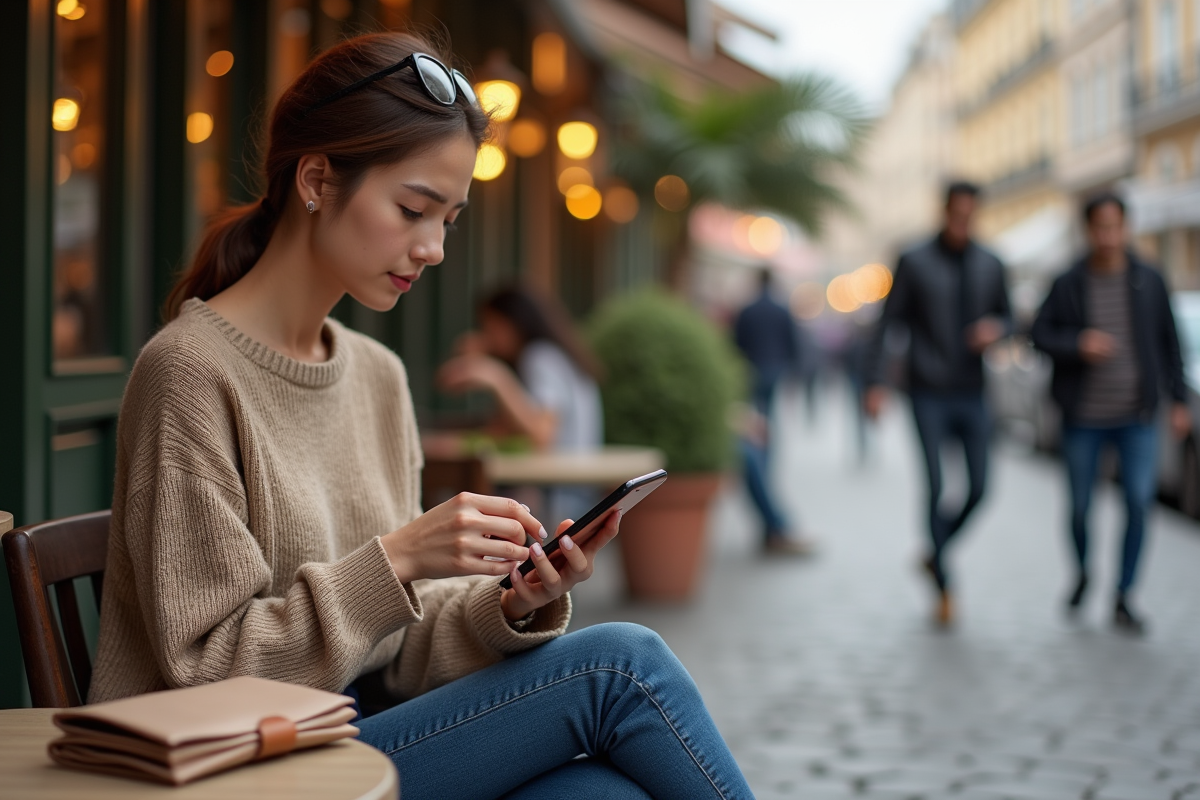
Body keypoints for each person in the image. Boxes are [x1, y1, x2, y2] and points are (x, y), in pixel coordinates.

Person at [88, 32, 753, 800]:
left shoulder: (377, 376)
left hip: (351, 743)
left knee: (606, 796)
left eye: (450, 220)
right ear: (315, 180)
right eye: (413, 209)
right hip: (232, 772)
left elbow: (393, 651)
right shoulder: (190, 373)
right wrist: (398, 559)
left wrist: (511, 602)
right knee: (619, 667)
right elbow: (205, 671)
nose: (433, 248)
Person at [1031, 192, 1189, 635]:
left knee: (1139, 502)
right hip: (1083, 415)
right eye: (1100, 227)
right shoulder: (1068, 281)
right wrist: (1077, 343)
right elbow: (1039, 333)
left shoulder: (1148, 279)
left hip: (1136, 414)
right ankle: (1082, 572)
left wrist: (1178, 401)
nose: (1108, 236)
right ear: (1088, 230)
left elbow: (1169, 342)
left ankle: (1124, 594)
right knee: (1081, 508)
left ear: (1126, 227)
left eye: (1115, 226)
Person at [864, 181, 1012, 626]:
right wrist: (875, 383)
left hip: (972, 390)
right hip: (927, 390)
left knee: (981, 487)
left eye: (969, 217)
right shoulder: (915, 260)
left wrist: (996, 329)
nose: (962, 224)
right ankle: (945, 586)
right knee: (934, 486)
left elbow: (1008, 316)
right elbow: (888, 323)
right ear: (944, 212)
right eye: (955, 215)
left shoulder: (992, 263)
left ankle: (935, 550)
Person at [437, 287, 603, 526]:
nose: (488, 335)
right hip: (569, 492)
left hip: (560, 497)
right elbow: (507, 431)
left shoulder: (541, 357)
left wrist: (494, 376)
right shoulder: (550, 357)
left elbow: (541, 435)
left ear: (513, 323)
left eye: (491, 326)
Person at [733, 268, 815, 556]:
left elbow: (736, 344)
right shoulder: (781, 309)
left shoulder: (747, 310)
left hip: (752, 373)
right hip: (774, 371)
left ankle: (775, 522)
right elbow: (793, 344)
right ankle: (765, 459)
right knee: (764, 431)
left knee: (757, 429)